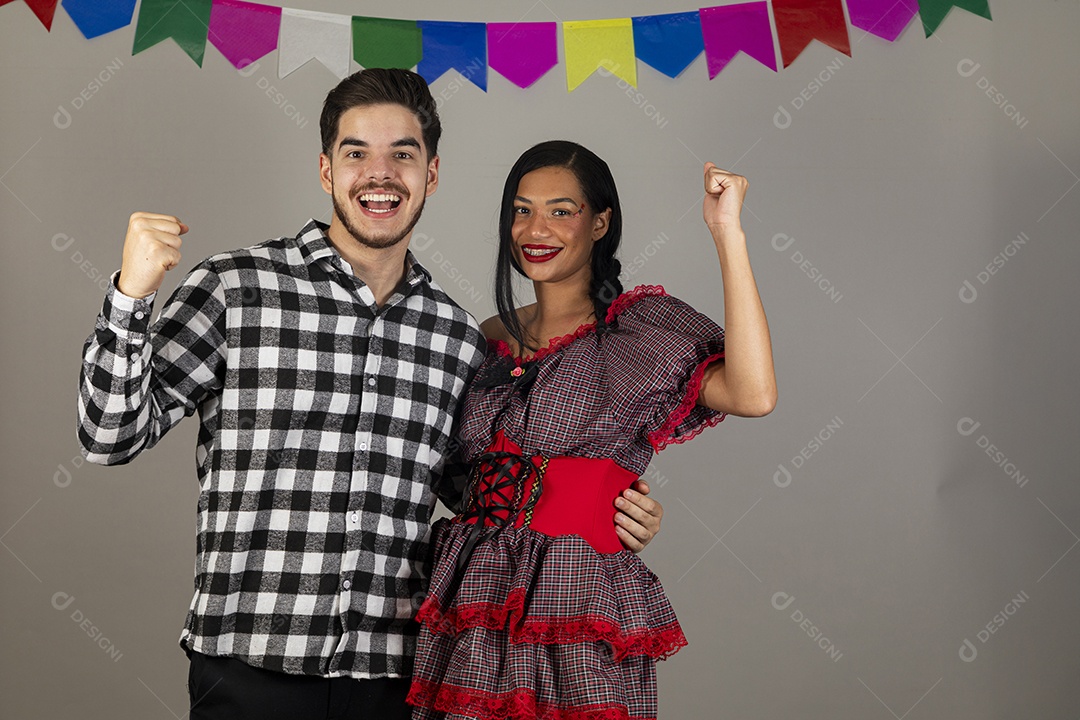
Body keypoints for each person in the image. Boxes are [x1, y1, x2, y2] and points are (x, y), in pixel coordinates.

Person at [77, 70, 663, 720]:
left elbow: (488, 500)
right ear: (326, 170)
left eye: (402, 154)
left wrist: (604, 505)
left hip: (395, 681)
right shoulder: (235, 288)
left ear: (431, 174)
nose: (378, 174)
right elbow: (110, 434)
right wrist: (131, 295)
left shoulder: (457, 339)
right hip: (247, 672)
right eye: (357, 152)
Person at [406, 140, 776, 720]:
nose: (536, 228)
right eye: (521, 209)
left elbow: (753, 393)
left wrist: (728, 232)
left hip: (574, 587)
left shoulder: (638, 328)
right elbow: (457, 477)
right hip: (473, 590)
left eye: (561, 210)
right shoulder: (487, 334)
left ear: (600, 222)